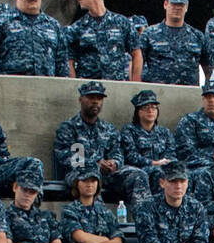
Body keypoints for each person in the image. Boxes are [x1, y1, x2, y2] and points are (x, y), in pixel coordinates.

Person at [52, 81, 150, 209]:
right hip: (80, 173)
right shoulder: (69, 128)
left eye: (99, 98)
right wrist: (96, 163)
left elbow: (117, 151)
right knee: (92, 177)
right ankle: (99, 224)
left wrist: (114, 163)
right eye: (91, 98)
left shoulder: (108, 128)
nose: (95, 102)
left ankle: (144, 222)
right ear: (81, 99)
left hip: (108, 175)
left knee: (138, 175)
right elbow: (68, 157)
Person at [135, 163, 208, 243]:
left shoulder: (196, 207)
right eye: (173, 181)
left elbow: (201, 241)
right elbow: (147, 242)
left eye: (182, 181)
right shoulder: (147, 206)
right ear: (162, 183)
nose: (178, 186)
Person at [65, 0, 139, 81]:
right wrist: (74, 86)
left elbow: (136, 53)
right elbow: (69, 61)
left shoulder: (122, 23)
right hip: (89, 91)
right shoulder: (76, 28)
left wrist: (135, 86)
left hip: (116, 87)